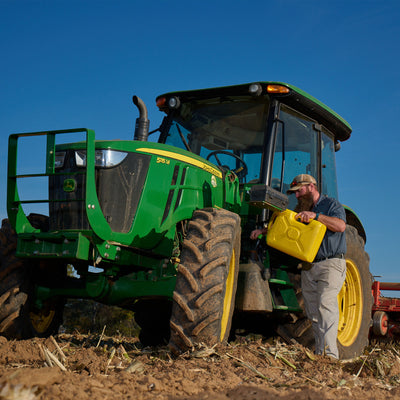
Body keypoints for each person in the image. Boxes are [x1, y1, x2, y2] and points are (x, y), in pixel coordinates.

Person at [287, 174, 346, 359]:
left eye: (300, 191)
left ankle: (330, 356)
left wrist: (317, 216)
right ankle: (320, 354)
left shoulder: (331, 205)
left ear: (311, 186)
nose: (297, 196)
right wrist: (263, 231)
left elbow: (341, 226)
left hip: (331, 263)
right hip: (309, 266)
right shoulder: (300, 209)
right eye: (294, 193)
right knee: (313, 312)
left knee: (325, 304)